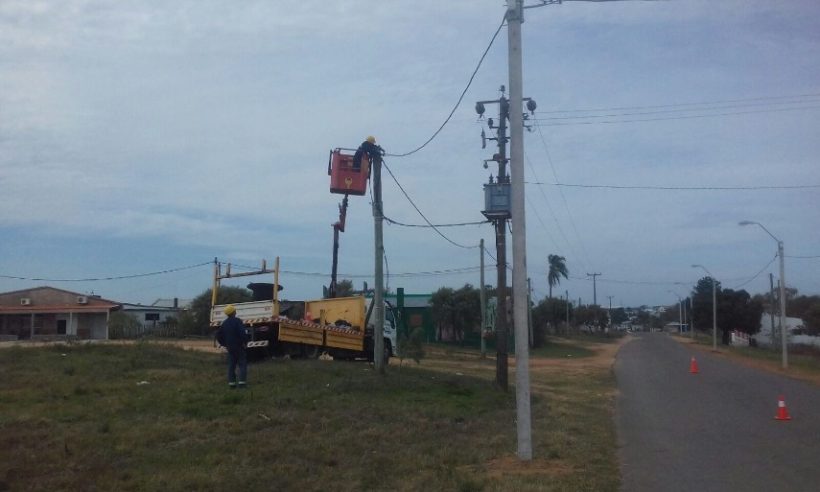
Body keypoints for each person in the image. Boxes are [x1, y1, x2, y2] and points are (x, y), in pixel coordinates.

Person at [216, 304, 249, 389]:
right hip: (239, 346)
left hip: (230, 347)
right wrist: (245, 342)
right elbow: (242, 333)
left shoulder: (224, 323)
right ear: (234, 312)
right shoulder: (237, 321)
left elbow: (218, 336)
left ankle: (232, 384)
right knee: (242, 364)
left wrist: (225, 344)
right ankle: (242, 383)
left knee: (231, 366)